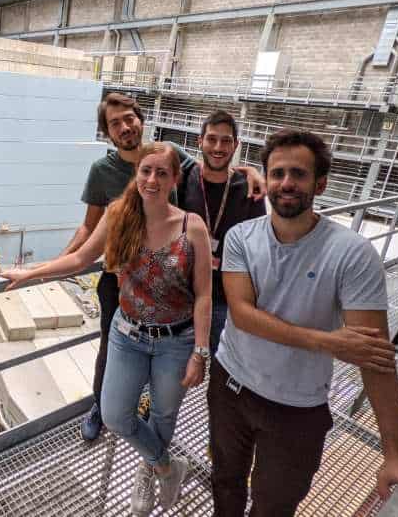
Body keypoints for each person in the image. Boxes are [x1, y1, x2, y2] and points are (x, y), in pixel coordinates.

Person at [212, 129, 398, 516]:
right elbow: (242, 315)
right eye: (278, 173)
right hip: (231, 386)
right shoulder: (241, 237)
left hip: (296, 407)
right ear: (266, 180)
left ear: (320, 184)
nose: (286, 183)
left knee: (274, 504)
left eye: (298, 173)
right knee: (226, 482)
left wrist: (397, 453)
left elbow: (372, 355)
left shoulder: (352, 254)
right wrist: (328, 342)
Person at [3, 142, 213, 515]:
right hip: (127, 335)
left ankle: (148, 470)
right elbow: (81, 258)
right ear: (137, 174)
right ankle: (167, 466)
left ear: (174, 179)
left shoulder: (191, 226)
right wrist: (31, 272)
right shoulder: (119, 215)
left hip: (176, 341)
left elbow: (204, 296)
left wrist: (200, 351)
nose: (152, 179)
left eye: (161, 173)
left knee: (164, 415)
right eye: (146, 170)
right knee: (115, 414)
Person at [65, 93, 265, 441]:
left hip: (173, 276)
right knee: (112, 348)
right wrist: (59, 261)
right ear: (107, 132)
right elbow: (88, 226)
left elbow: (211, 165)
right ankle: (102, 405)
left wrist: (249, 171)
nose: (125, 127)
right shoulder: (102, 171)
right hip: (123, 279)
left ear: (141, 120)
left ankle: (152, 414)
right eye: (115, 123)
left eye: (129, 118)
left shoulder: (168, 153)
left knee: (171, 351)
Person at [177, 110, 267, 352]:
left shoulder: (249, 190)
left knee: (221, 363)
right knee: (179, 366)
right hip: (181, 294)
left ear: (236, 145)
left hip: (224, 298)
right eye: (211, 139)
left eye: (226, 141)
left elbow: (258, 249)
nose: (218, 147)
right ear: (200, 141)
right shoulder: (183, 179)